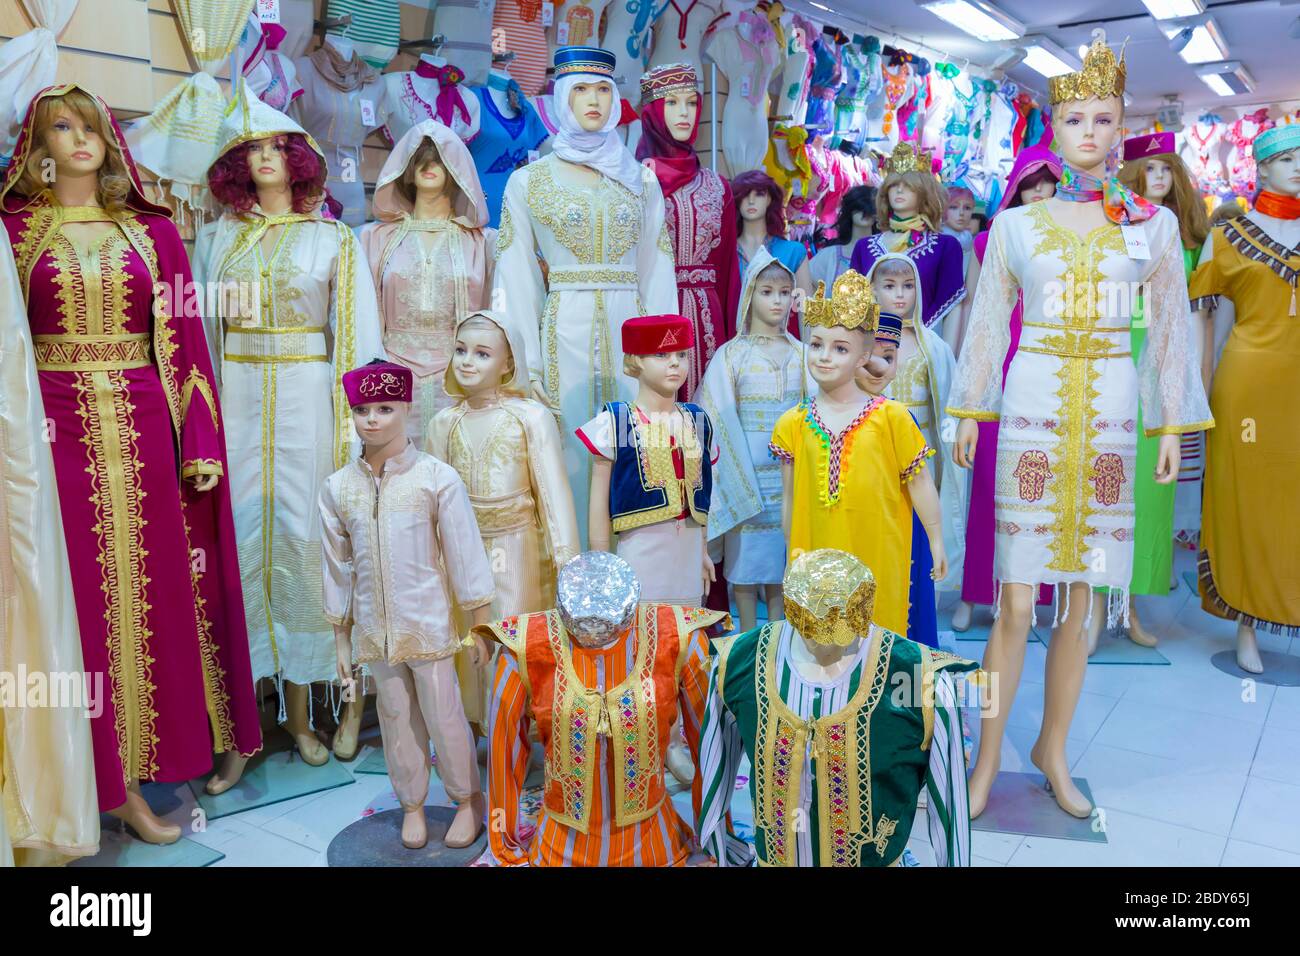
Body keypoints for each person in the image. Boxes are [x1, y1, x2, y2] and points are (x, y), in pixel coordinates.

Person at [948, 33, 1212, 818]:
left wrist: (1172, 427)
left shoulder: (1155, 228)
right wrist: (971, 410)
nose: (1089, 134)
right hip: (1030, 412)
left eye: (1103, 120)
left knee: (1082, 600)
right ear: (1053, 130)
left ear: (1120, 129)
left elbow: (1169, 330)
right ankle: (988, 754)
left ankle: (1051, 749)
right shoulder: (1019, 228)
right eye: (1073, 120)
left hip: (1108, 422)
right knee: (1018, 596)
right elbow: (988, 322)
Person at [1, 84, 262, 839]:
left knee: (153, 597)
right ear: (37, 145)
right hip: (51, 433)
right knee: (73, 603)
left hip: (146, 430)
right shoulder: (14, 234)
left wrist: (201, 442)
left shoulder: (154, 234)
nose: (79, 139)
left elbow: (183, 338)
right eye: (60, 126)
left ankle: (147, 763)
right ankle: (94, 782)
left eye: (90, 125)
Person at [696, 548, 977, 867]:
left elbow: (950, 813)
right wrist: (722, 851)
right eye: (812, 633)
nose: (822, 645)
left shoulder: (922, 680)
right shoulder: (737, 663)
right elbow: (715, 773)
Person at [320, 360, 494, 850]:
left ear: (405, 408)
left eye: (384, 408)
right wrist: (340, 635)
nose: (372, 419)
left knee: (444, 715)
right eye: (361, 409)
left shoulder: (435, 479)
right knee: (396, 719)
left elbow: (464, 554)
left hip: (430, 626)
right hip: (376, 631)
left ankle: (466, 800)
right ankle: (412, 804)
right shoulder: (338, 488)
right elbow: (337, 567)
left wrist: (480, 625)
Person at [475, 551, 729, 866]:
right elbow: (503, 758)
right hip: (558, 850)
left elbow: (713, 751)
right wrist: (506, 849)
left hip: (654, 847)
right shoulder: (524, 647)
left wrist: (718, 841)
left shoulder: (678, 638)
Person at [1085, 131, 1211, 651]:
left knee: (1149, 496)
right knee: (1103, 487)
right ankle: (1090, 608)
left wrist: (1191, 380)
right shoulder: (1106, 228)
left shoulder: (1185, 240)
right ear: (1133, 176)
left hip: (1161, 366)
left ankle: (1130, 606)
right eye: (1151, 170)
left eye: (1168, 170)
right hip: (1114, 357)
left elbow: (1194, 318)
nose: (1160, 179)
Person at [770, 270, 946, 639]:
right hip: (815, 557)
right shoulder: (793, 423)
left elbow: (921, 483)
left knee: (875, 641)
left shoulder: (892, 417)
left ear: (862, 355)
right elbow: (789, 498)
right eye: (816, 345)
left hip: (878, 554)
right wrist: (790, 553)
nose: (824, 357)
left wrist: (936, 538)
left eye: (840, 349)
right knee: (819, 647)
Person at [427, 312, 580, 732]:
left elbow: (552, 492)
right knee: (470, 637)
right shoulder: (444, 422)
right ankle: (479, 729)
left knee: (514, 635)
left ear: (508, 364)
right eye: (460, 350)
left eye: (481, 353)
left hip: (518, 547)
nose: (467, 362)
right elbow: (434, 502)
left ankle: (522, 731)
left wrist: (568, 562)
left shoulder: (529, 417)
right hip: (464, 552)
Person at [947, 146, 1061, 633]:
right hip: (999, 370)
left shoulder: (1070, 239)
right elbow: (976, 313)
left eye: (1046, 182)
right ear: (1015, 188)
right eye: (1029, 184)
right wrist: (967, 382)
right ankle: (975, 594)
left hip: (1050, 368)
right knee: (990, 486)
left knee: (1041, 486)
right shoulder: (989, 240)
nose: (1038, 192)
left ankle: (1033, 592)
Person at [695, 250, 812, 633]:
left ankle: (777, 642)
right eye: (767, 292)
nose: (777, 301)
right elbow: (715, 416)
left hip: (789, 478)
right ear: (750, 294)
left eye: (784, 292)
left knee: (781, 564)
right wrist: (734, 477)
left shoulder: (805, 354)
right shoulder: (732, 356)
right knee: (744, 570)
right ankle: (747, 638)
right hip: (744, 478)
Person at [809, 183, 876, 290]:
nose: (865, 213)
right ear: (850, 210)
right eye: (859, 208)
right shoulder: (829, 255)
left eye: (870, 209)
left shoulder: (885, 254)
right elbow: (805, 284)